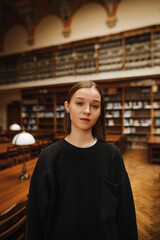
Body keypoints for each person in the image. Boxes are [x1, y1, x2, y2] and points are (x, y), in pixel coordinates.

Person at [27, 81, 138, 240]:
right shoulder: (49, 157)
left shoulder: (112, 154)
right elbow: (36, 220)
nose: (87, 111)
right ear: (67, 106)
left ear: (100, 111)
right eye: (80, 103)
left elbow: (125, 212)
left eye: (94, 106)